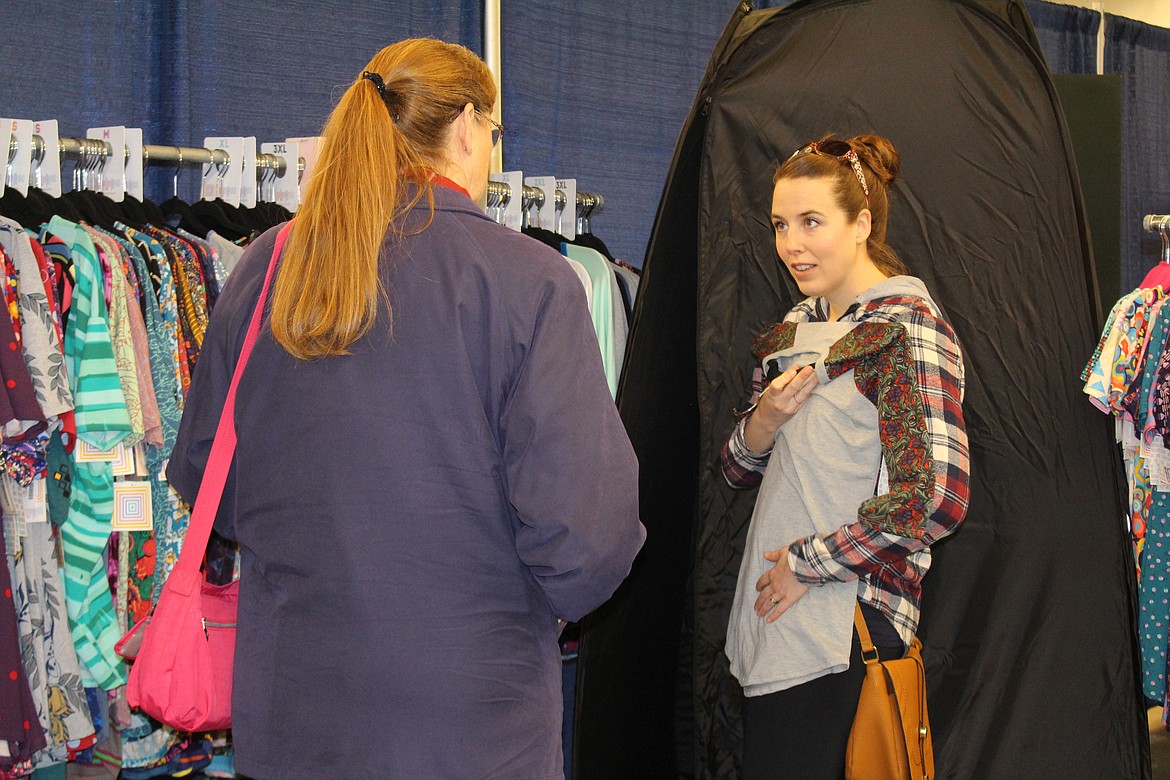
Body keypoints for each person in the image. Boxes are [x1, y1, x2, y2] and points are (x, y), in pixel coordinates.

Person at [167, 38, 645, 779]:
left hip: (293, 718)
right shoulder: (530, 282)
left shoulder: (269, 266)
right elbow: (588, 538)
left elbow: (210, 483)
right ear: (464, 125)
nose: (490, 150)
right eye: (493, 134)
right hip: (469, 725)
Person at [721, 133, 970, 779]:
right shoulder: (798, 325)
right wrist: (764, 422)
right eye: (780, 224)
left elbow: (935, 497)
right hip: (777, 630)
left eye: (811, 222)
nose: (791, 244)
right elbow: (735, 470)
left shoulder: (903, 329)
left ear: (861, 223)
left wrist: (808, 563)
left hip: (845, 630)